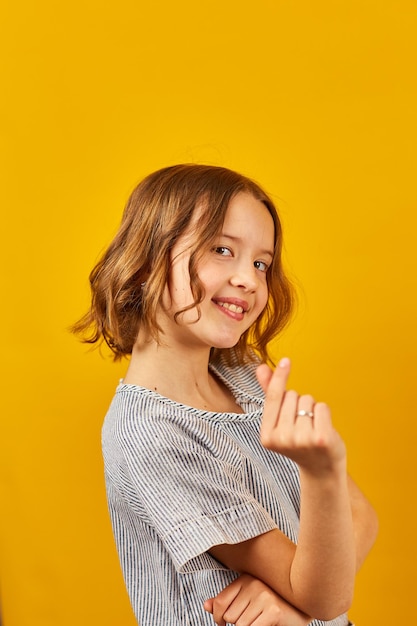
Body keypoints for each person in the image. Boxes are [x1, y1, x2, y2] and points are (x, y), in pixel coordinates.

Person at [72, 164, 378, 626]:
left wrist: (293, 599)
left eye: (261, 263)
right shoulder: (151, 436)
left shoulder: (239, 374)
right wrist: (321, 475)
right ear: (146, 260)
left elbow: (361, 517)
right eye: (221, 250)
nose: (250, 280)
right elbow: (325, 596)